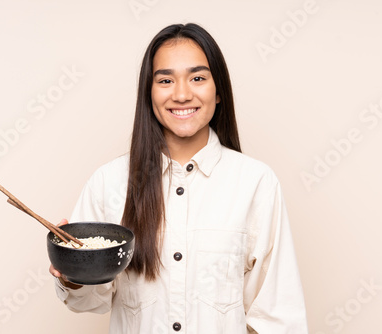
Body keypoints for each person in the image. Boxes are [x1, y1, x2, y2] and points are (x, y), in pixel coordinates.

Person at [50, 23, 308, 333]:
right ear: (149, 92)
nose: (182, 94)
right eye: (166, 80)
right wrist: (72, 271)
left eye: (198, 78)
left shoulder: (256, 183)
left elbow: (278, 316)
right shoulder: (110, 182)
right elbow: (88, 301)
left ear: (219, 91)